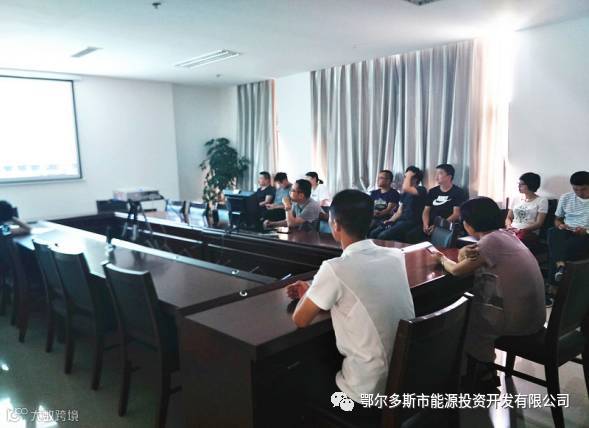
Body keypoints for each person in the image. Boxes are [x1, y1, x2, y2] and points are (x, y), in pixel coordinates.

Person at [285, 189, 415, 408]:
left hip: (364, 393)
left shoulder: (335, 268)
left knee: (298, 385)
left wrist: (310, 291)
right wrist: (315, 291)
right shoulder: (394, 256)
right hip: (404, 379)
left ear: (335, 225)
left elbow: (300, 319)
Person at [433, 197, 545, 391]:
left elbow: (458, 270)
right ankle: (482, 370)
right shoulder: (505, 235)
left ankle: (481, 376)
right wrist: (463, 252)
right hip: (534, 316)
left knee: (463, 320)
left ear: (468, 225)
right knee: (472, 309)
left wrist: (441, 259)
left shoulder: (490, 242)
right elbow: (468, 258)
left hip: (518, 322)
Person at [548, 171, 589, 283]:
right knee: (553, 231)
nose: (579, 193)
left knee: (558, 248)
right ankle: (560, 266)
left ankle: (554, 283)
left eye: (584, 189)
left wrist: (586, 231)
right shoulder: (566, 197)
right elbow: (557, 219)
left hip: (586, 234)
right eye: (576, 189)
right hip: (567, 230)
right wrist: (560, 225)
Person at [368, 166, 427, 242]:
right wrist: (390, 220)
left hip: (411, 221)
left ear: (415, 179)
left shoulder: (421, 190)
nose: (404, 179)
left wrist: (409, 174)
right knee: (373, 233)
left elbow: (406, 187)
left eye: (406, 177)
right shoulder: (405, 193)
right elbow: (399, 211)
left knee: (382, 236)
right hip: (400, 220)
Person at [505, 172, 548, 248]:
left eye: (522, 184)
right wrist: (509, 226)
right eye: (518, 184)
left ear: (531, 184)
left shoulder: (542, 200)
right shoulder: (515, 199)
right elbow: (509, 217)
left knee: (513, 242)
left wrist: (520, 230)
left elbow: (538, 223)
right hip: (512, 230)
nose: (519, 186)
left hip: (528, 232)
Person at [421, 164, 467, 236]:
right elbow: (426, 210)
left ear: (449, 176)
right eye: (436, 174)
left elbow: (456, 214)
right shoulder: (432, 191)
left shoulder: (458, 192)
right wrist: (425, 224)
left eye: (440, 173)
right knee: (413, 235)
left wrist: (438, 225)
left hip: (446, 226)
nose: (436, 177)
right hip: (431, 225)